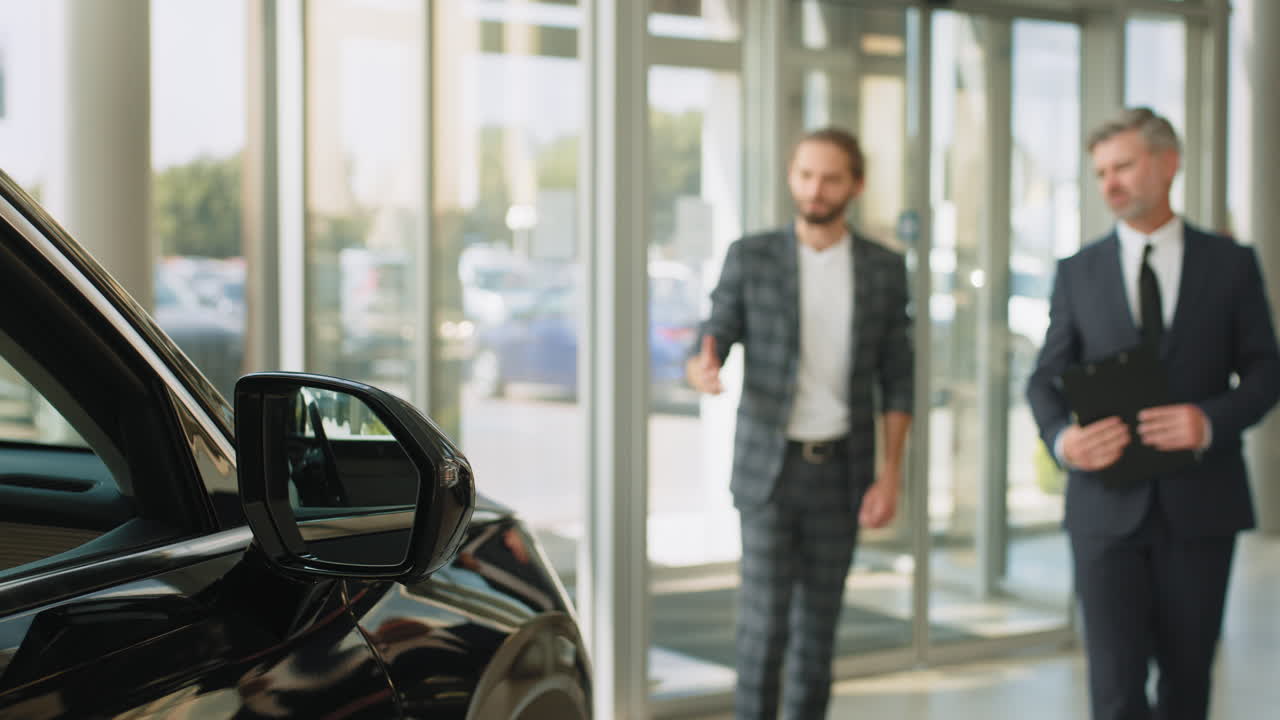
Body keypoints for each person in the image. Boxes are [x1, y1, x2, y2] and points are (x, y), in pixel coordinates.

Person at [1026, 107, 1280, 720]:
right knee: (1113, 690)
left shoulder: (1231, 263)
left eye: (1123, 167)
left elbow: (1267, 372)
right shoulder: (1077, 271)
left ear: (1169, 164)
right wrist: (1064, 442)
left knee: (1187, 687)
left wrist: (1211, 420)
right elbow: (1043, 380)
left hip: (1202, 507)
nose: (1110, 183)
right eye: (1100, 172)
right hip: (1103, 511)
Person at [687, 126, 913, 720]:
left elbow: (899, 377)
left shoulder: (884, 269)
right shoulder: (753, 255)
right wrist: (702, 366)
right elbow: (716, 329)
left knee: (818, 636)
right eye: (806, 175)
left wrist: (891, 475)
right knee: (762, 630)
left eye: (831, 177)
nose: (815, 189)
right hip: (770, 471)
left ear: (855, 185)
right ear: (792, 177)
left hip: (843, 473)